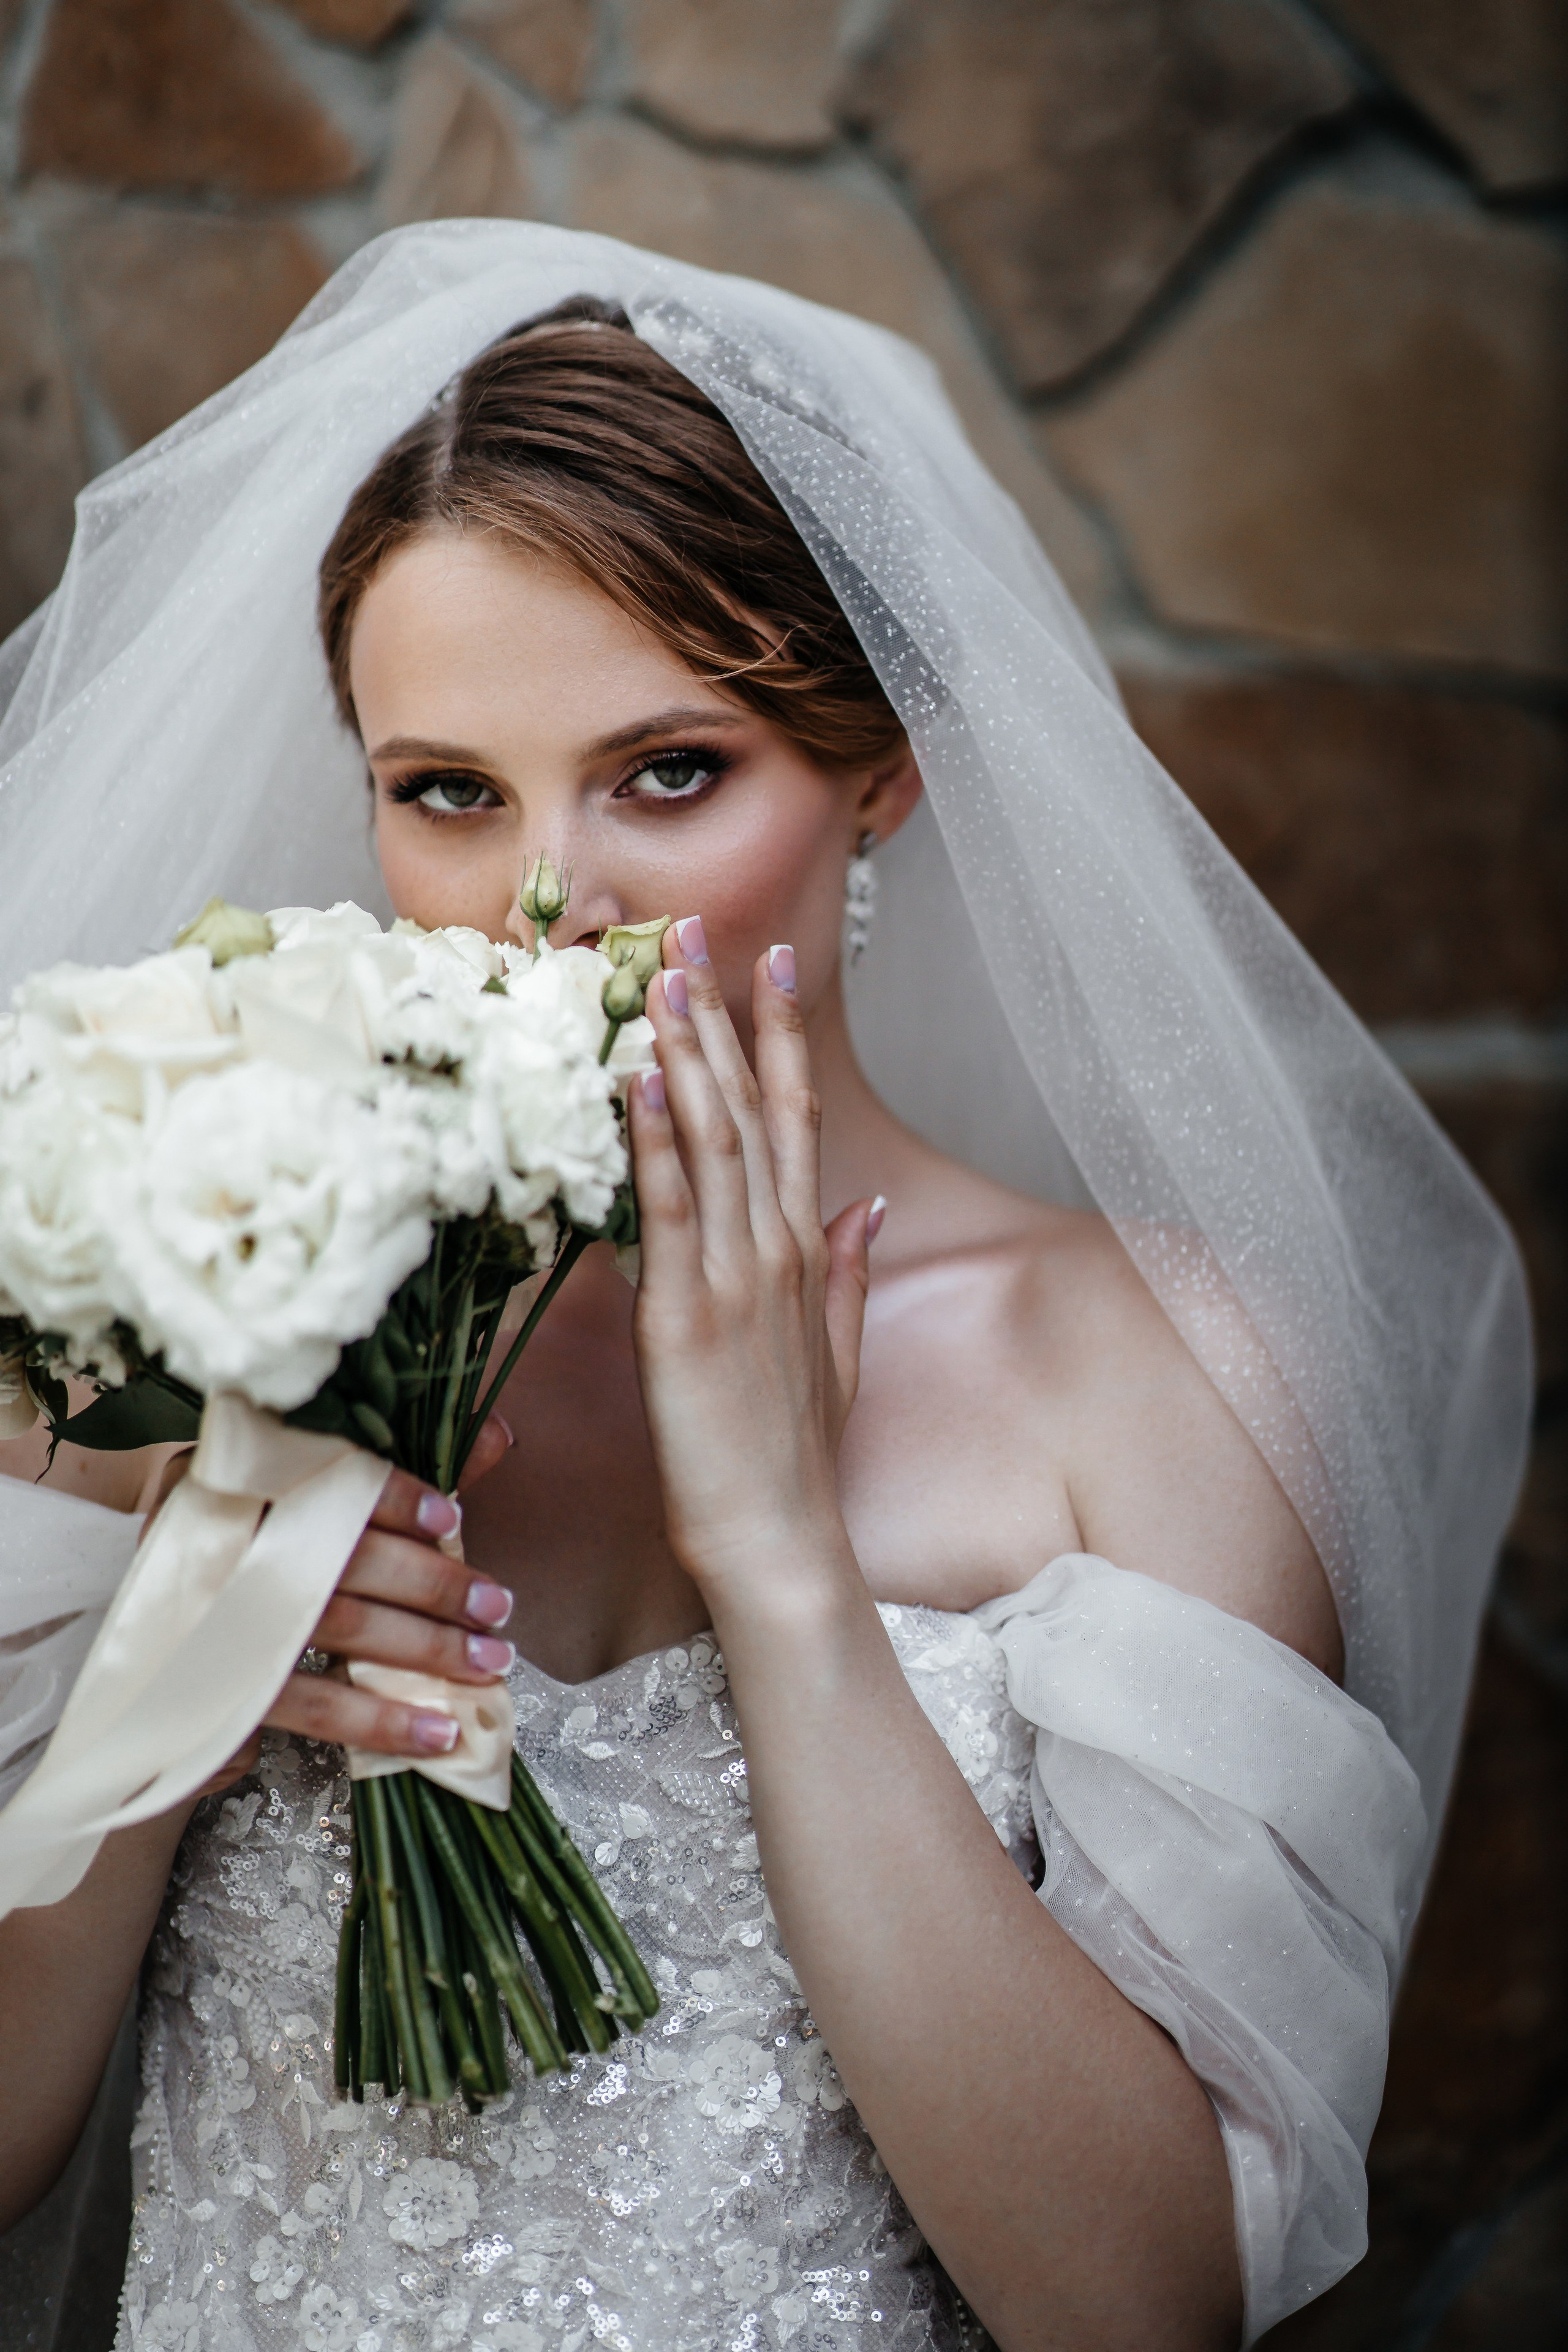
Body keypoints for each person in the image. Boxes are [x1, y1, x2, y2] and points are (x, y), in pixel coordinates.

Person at [0, 237, 1530, 2352]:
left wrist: (789, 1572)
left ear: (882, 766)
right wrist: (187, 1667)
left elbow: (1137, 2309)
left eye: (671, 771)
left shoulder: (1148, 1375)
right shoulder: (203, 1293)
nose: (552, 904)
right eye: (449, 791)